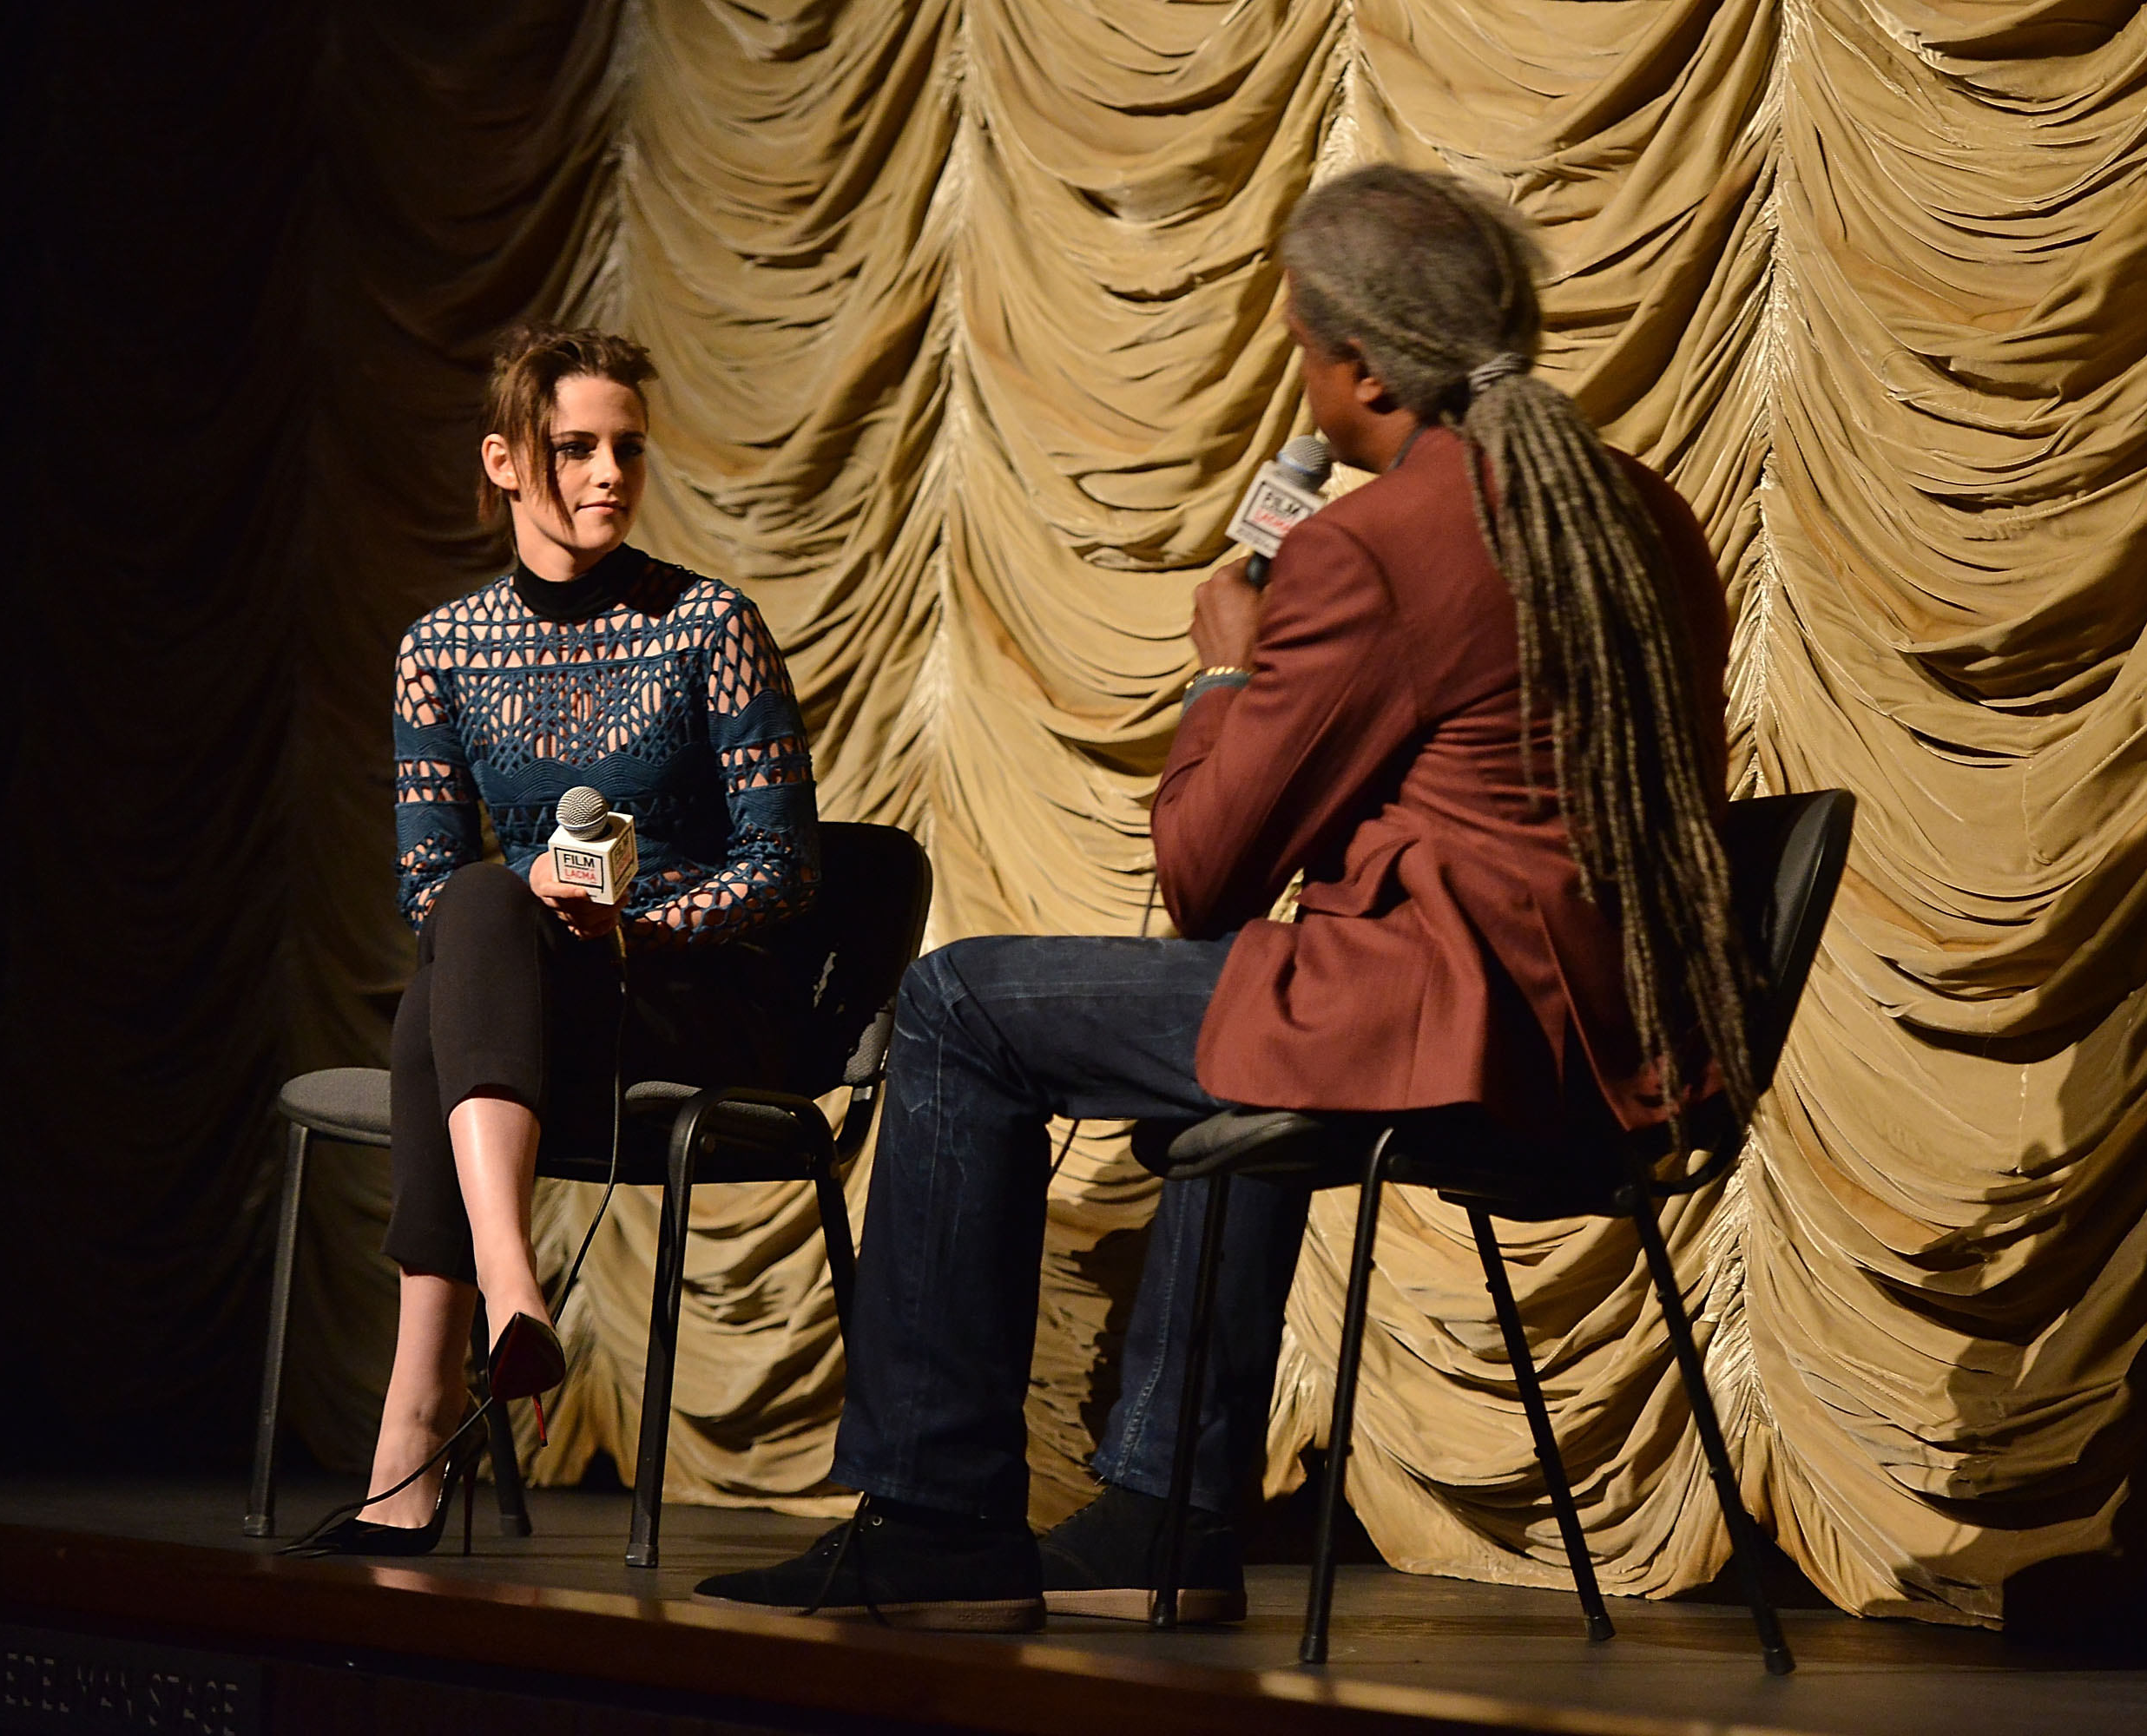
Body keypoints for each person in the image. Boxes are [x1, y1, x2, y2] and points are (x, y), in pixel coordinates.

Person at [693, 163, 1753, 1630]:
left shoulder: (1377, 547)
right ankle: (1163, 1512)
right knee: (1254, 1012)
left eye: (1301, 348)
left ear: (1361, 368)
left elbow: (1201, 876)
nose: (1301, 381)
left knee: (958, 1005)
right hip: (1619, 1045)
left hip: (1460, 1034)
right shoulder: (1631, 511)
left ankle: (932, 1515)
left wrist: (1226, 672)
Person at [291, 325, 820, 1555]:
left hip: (687, 999)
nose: (608, 475)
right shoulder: (441, 650)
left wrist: (637, 924)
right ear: (503, 461)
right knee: (477, 906)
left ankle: (423, 1408)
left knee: (446, 989)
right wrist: (533, 895)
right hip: (530, 1010)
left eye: (626, 449)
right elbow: (424, 884)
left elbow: (787, 868)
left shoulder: (708, 625)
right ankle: (507, 1294)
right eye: (574, 448)